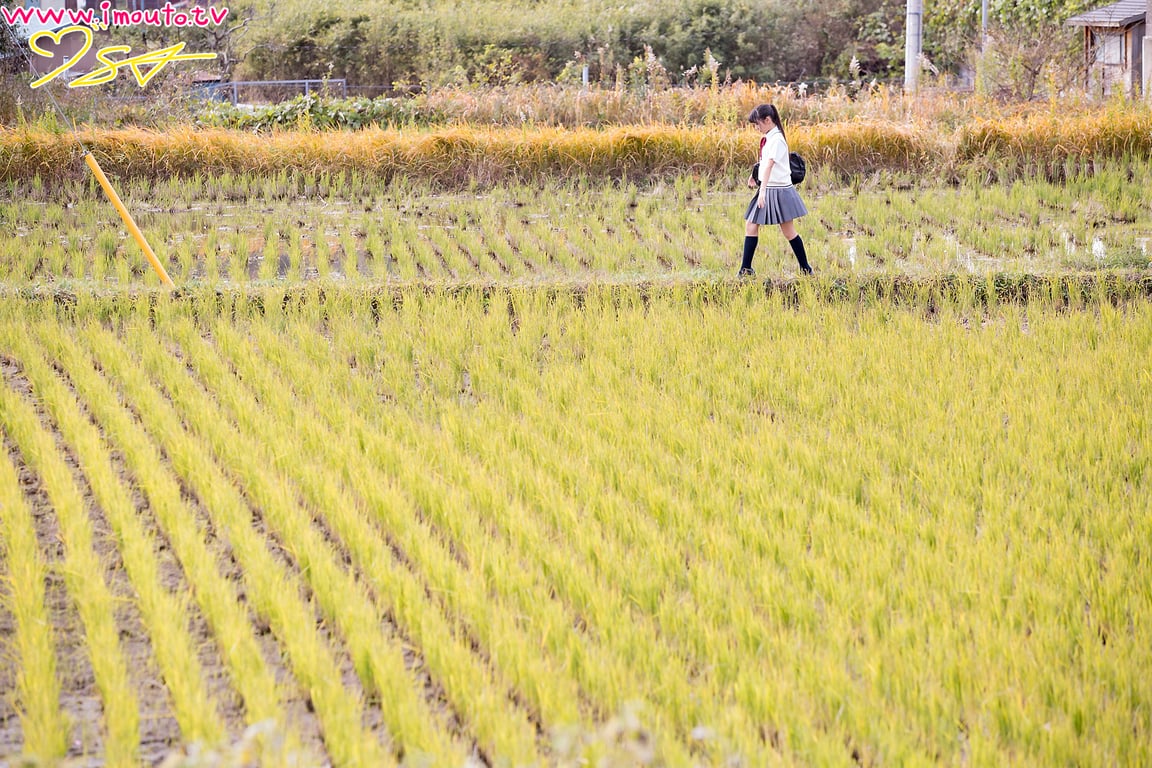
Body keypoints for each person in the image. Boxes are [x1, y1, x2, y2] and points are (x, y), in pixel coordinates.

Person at [740, 103, 812, 276]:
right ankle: (745, 269)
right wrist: (753, 175)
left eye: (757, 124)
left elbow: (770, 166)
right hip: (770, 187)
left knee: (788, 232)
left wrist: (762, 191)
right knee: (751, 225)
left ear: (767, 120)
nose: (756, 128)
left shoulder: (777, 139)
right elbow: (764, 163)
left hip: (778, 191)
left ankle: (806, 268)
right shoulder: (769, 138)